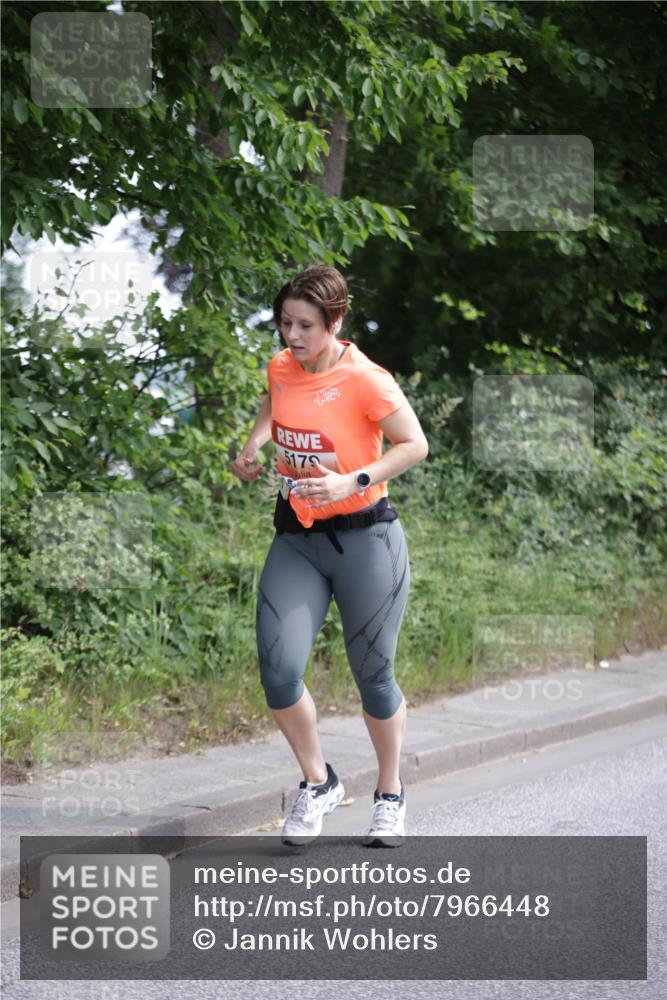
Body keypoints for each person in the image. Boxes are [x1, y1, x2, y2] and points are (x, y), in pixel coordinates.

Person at [231, 264, 428, 847]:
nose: (292, 336)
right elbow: (277, 404)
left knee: (373, 675)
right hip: (297, 536)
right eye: (285, 323)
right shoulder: (281, 366)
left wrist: (352, 480)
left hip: (366, 538)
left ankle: (390, 793)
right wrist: (253, 444)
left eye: (306, 326)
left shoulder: (368, 379)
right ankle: (319, 783)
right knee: (279, 668)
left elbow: (414, 443)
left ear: (335, 321)